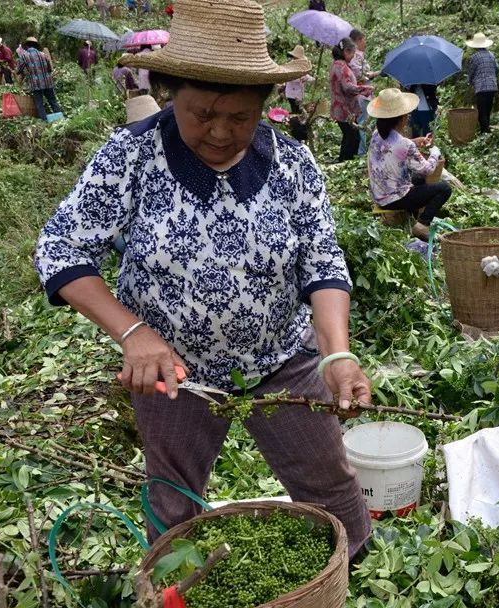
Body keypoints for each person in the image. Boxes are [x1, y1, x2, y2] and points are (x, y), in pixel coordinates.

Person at [33, 0, 372, 558]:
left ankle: (349, 576)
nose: (219, 131)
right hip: (174, 373)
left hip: (282, 360)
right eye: (200, 114)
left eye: (239, 117)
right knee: (172, 499)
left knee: (329, 482)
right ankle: (172, 604)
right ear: (170, 95)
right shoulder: (130, 157)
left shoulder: (293, 164)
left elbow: (323, 262)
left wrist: (337, 357)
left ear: (263, 105)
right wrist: (132, 334)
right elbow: (61, 247)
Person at [368, 88, 451, 241]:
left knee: (418, 179)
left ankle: (410, 218)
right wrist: (434, 153)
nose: (408, 116)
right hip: (393, 199)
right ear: (400, 119)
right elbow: (427, 169)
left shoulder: (376, 133)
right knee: (444, 189)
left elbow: (394, 147)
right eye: (406, 115)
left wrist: (415, 142)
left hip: (378, 194)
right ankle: (422, 225)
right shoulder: (404, 144)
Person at [330, 37, 371, 162]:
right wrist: (364, 88)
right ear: (346, 51)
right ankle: (346, 162)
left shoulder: (335, 64)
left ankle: (343, 161)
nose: (353, 56)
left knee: (349, 136)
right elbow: (347, 87)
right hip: (345, 110)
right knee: (353, 138)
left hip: (340, 108)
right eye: (352, 53)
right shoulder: (342, 67)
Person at [17, 37, 63, 120]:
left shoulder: (24, 56)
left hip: (36, 84)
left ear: (27, 46)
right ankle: (60, 120)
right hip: (48, 82)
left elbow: (19, 70)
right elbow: (50, 69)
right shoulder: (43, 54)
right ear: (36, 46)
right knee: (53, 101)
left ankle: (45, 122)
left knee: (39, 104)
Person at [349, 28, 377, 155]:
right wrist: (371, 75)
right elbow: (358, 74)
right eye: (364, 40)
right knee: (362, 123)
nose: (365, 43)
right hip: (361, 94)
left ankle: (362, 149)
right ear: (358, 40)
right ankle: (361, 152)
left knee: (365, 121)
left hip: (365, 93)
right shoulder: (355, 56)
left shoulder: (358, 55)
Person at [464, 32, 498, 134]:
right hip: (492, 87)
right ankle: (487, 131)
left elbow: (471, 72)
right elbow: (497, 68)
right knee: (487, 110)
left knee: (482, 112)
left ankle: (485, 133)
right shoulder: (491, 55)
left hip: (481, 88)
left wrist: (469, 82)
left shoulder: (474, 57)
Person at [282, 45, 314, 113]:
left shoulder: (301, 66)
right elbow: (289, 78)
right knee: (295, 110)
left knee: (298, 109)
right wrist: (300, 78)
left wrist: (313, 79)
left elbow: (306, 76)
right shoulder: (290, 66)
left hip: (299, 93)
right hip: (292, 94)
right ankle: (293, 120)